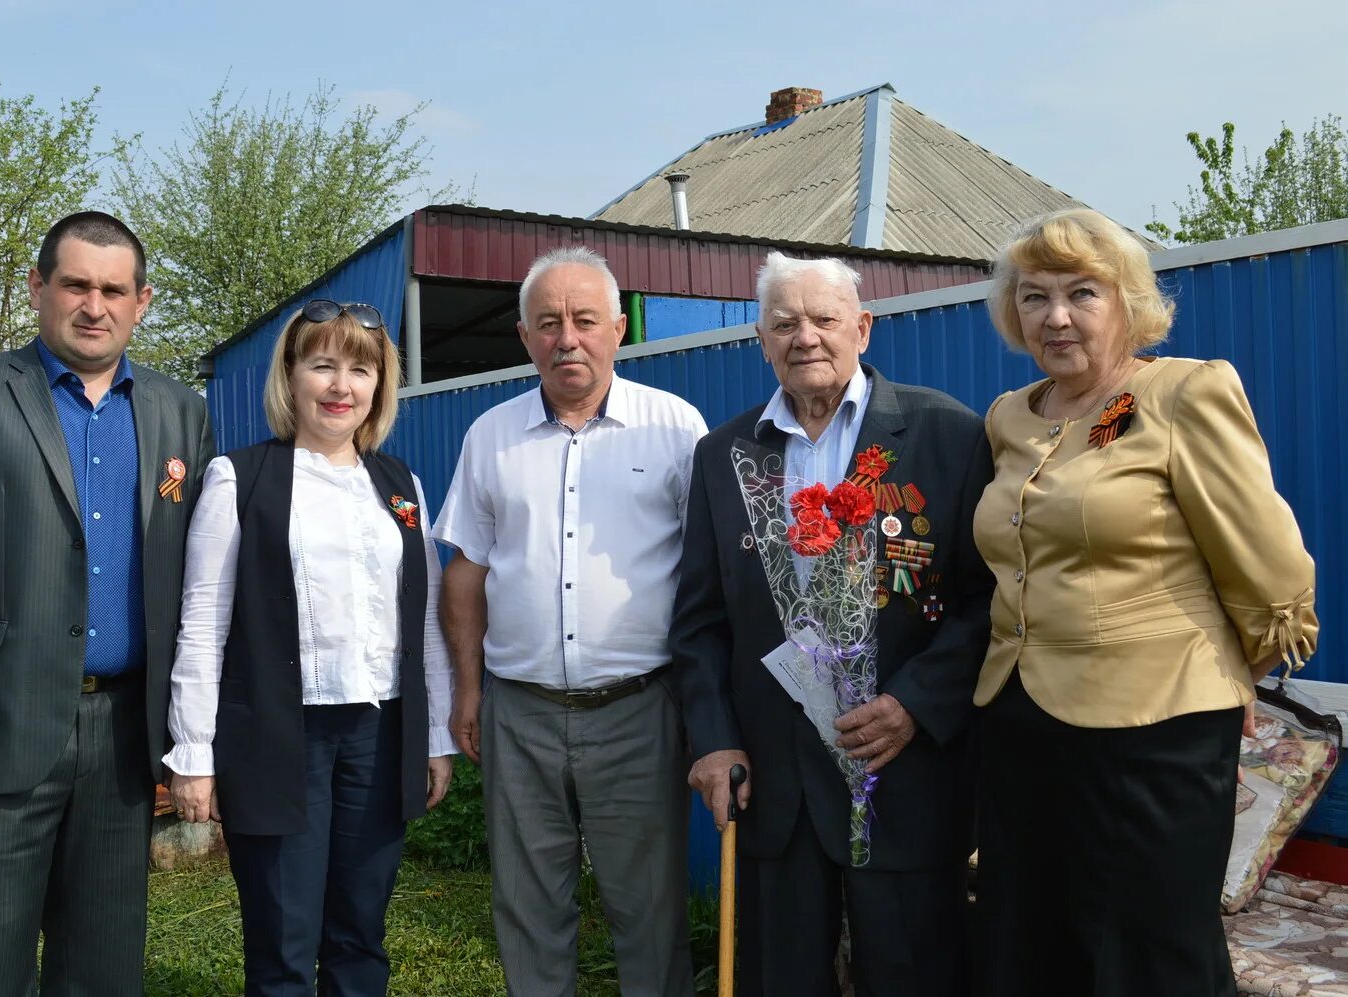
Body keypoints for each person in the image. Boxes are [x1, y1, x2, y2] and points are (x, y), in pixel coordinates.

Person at [0, 211, 215, 995]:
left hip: (124, 739)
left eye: (114, 289)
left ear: (142, 301)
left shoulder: (179, 412)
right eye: (76, 284)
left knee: (103, 968)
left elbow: (199, 582)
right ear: (37, 288)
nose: (95, 305)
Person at [973, 207, 1319, 995]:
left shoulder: (1182, 392)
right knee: (1034, 938)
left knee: (1151, 951)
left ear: (1126, 301)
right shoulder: (1008, 417)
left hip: (1153, 726)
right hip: (1020, 719)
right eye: (1033, 296)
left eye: (1081, 293)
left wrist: (1227, 673)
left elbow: (1273, 570)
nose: (1055, 316)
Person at [672, 251, 993, 996]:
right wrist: (714, 738)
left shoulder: (946, 433)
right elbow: (699, 620)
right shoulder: (723, 455)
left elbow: (989, 598)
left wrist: (916, 702)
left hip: (901, 772)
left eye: (823, 319)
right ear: (760, 338)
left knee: (914, 973)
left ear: (863, 327)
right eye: (783, 322)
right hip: (772, 784)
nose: (805, 336)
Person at [433, 246, 707, 996]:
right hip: (518, 711)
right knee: (527, 905)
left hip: (640, 709)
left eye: (585, 320)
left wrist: (702, 702)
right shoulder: (490, 434)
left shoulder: (675, 428)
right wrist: (466, 689)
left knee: (647, 907)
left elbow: (707, 577)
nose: (567, 339)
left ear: (618, 328)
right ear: (524, 337)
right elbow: (466, 570)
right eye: (547, 323)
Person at [165, 299, 455, 995]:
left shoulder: (400, 487)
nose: (340, 384)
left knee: (361, 933)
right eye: (321, 363)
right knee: (283, 940)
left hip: (378, 735)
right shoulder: (240, 478)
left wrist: (436, 734)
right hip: (276, 738)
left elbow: (424, 619)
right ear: (290, 376)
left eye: (360, 367)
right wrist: (194, 754)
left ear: (379, 384)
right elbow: (202, 620)